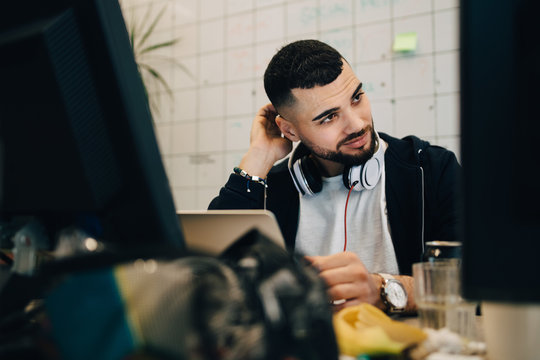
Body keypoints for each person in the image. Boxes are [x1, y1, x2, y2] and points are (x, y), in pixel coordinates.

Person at [209, 40, 460, 314]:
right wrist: (259, 157)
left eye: (357, 97)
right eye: (329, 117)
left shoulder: (431, 170)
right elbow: (212, 281)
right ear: (290, 131)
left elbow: (474, 279)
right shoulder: (271, 188)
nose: (357, 124)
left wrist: (385, 290)